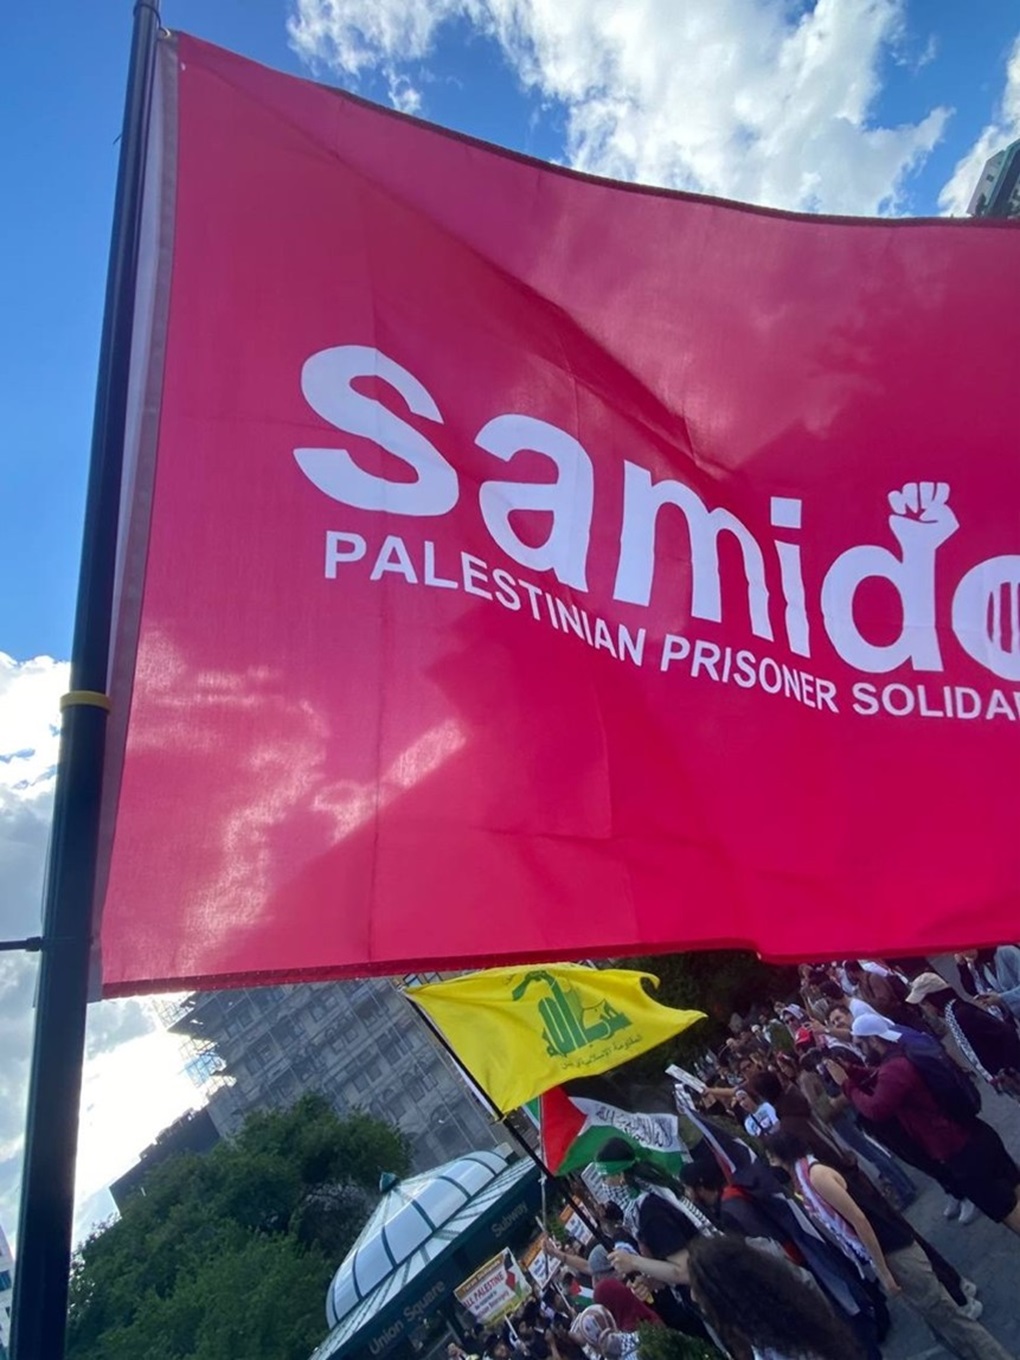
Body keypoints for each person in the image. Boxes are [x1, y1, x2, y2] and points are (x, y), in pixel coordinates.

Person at [766, 1130, 1009, 1360]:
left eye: (771, 1156)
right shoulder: (806, 1179)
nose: (771, 1163)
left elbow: (859, 1220)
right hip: (888, 1251)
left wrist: (882, 1270)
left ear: (782, 1154)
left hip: (894, 1251)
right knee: (940, 1323)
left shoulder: (817, 1176)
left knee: (950, 1319)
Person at [833, 1019, 1020, 1234]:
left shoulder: (893, 1069)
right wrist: (853, 1072)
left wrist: (846, 1085)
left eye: (860, 1044)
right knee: (1014, 1185)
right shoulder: (904, 1052)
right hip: (974, 1130)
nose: (860, 1050)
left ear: (873, 1040)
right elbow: (883, 1080)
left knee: (1007, 1210)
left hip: (958, 1150)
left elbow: (876, 1109)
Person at [687, 1232, 865, 1360]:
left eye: (700, 1287)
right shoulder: (791, 1306)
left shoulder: (780, 1345)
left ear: (727, 1294)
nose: (693, 1296)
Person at [907, 972, 1020, 1099]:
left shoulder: (962, 1014)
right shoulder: (955, 1014)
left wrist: (1008, 1067)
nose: (924, 1010)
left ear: (934, 998)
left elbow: (1005, 1032)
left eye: (924, 1003)